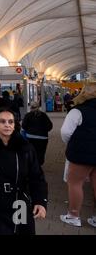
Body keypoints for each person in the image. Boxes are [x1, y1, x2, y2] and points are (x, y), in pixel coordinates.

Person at [0, 108, 48, 235]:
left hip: (20, 203)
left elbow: (37, 176)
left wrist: (40, 201)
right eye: (2, 121)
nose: (7, 124)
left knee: (22, 232)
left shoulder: (25, 147)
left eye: (11, 122)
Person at [60, 82, 96, 228]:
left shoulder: (78, 111)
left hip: (82, 154)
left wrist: (73, 144)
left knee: (75, 183)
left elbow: (65, 132)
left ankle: (73, 216)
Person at [21, 102, 53, 166]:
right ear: (38, 107)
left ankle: (32, 164)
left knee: (31, 151)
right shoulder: (43, 115)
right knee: (41, 152)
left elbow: (23, 126)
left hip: (30, 137)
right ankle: (39, 164)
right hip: (43, 138)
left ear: (31, 108)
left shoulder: (28, 115)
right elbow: (50, 126)